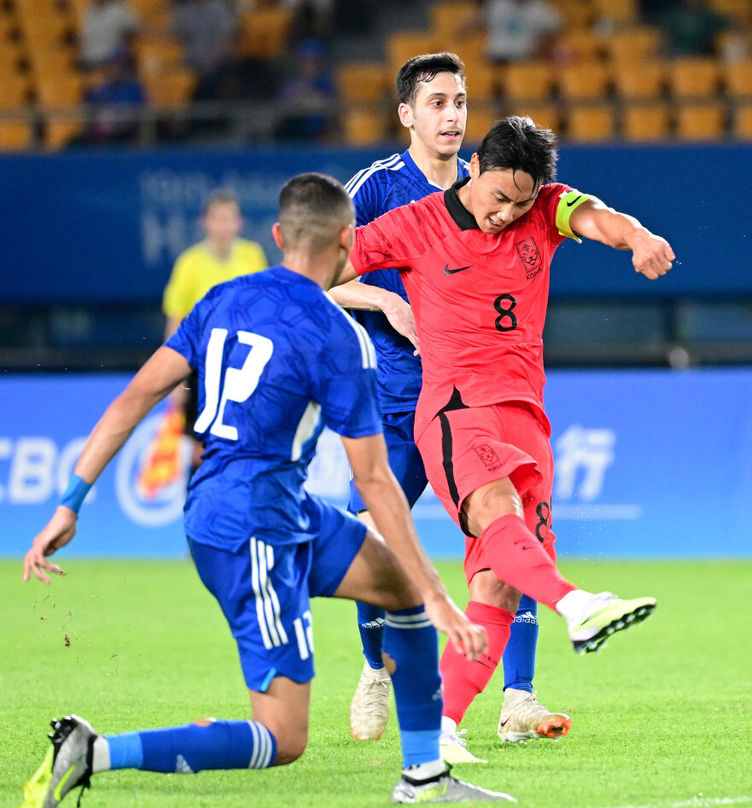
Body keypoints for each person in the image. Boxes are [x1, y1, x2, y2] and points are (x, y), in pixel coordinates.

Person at [19, 173, 512, 807]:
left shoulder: (222, 300)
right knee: (283, 736)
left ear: (277, 236)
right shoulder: (339, 337)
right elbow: (374, 481)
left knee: (398, 586)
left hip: (268, 505)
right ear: (348, 240)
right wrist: (446, 598)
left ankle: (423, 777)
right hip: (250, 528)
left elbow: (136, 395)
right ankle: (94, 750)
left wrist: (70, 502)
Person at [341, 116, 673, 761]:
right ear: (472, 169)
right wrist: (379, 303)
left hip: (526, 416)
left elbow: (598, 216)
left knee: (497, 586)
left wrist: (639, 237)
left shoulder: (545, 210)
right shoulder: (413, 223)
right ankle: (578, 604)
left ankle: (436, 732)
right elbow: (318, 261)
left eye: (520, 201)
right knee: (493, 509)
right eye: (498, 197)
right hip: (455, 407)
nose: (506, 213)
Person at [329, 52, 569, 762]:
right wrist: (382, 298)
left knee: (510, 534)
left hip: (475, 400)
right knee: (373, 537)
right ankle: (377, 670)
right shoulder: (376, 189)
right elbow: (316, 271)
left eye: (460, 101)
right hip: (396, 398)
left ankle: (518, 697)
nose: (452, 115)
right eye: (437, 102)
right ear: (407, 114)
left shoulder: (487, 185)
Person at [159, 188, 266, 481]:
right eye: (217, 219)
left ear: (239, 223)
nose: (223, 225)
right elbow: (175, 322)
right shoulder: (189, 264)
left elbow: (263, 313)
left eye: (229, 218)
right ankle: (197, 519)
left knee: (245, 447)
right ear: (204, 223)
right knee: (199, 451)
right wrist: (176, 380)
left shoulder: (252, 256)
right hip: (201, 371)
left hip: (244, 368)